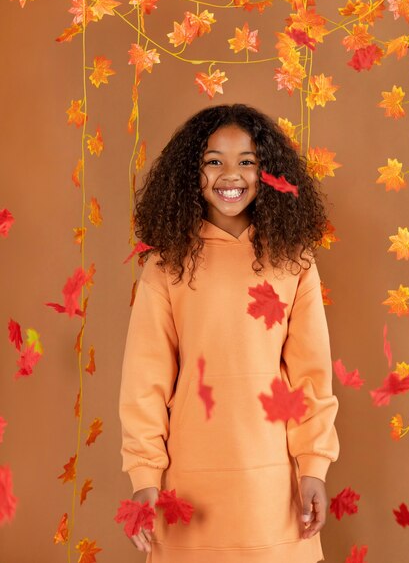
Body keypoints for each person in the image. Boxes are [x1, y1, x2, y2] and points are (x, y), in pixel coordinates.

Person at [118, 103, 340, 563]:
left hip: (274, 486)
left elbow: (310, 378)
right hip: (189, 487)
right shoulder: (165, 266)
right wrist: (144, 479)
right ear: (190, 174)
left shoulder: (295, 261)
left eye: (247, 161)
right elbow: (145, 383)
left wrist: (313, 467)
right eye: (213, 161)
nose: (230, 175)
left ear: (268, 173)